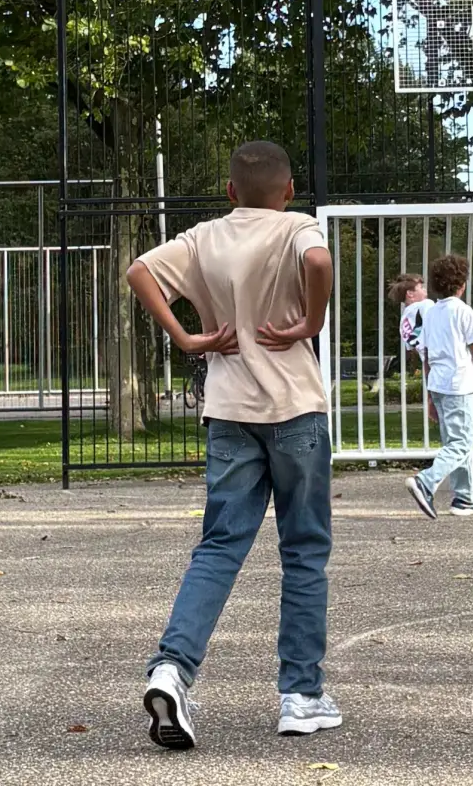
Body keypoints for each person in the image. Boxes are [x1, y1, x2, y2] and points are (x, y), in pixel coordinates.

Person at [129, 140, 340, 749]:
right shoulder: (297, 226)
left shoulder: (203, 238)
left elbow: (139, 270)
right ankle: (300, 695)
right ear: (289, 189)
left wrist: (187, 339)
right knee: (303, 550)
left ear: (229, 192)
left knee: (219, 547)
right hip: (295, 407)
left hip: (228, 411)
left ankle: (173, 667)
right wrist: (311, 322)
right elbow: (320, 263)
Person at [406, 254, 473, 519]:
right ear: (461, 284)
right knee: (462, 443)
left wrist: (429, 396)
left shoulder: (430, 313)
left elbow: (425, 357)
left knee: (456, 441)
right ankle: (425, 481)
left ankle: (464, 499)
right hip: (458, 383)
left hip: (438, 383)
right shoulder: (463, 311)